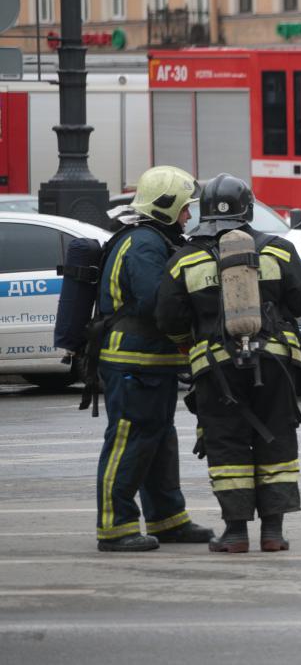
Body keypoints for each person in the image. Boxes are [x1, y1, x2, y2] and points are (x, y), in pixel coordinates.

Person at [156, 174, 301, 553]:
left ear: (205, 213)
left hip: (216, 370)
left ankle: (234, 534)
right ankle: (273, 533)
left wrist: (190, 344)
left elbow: (168, 319)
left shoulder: (185, 260)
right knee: (276, 437)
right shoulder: (278, 250)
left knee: (226, 444)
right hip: (276, 364)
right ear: (247, 210)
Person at [94, 165, 214, 551]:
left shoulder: (154, 240)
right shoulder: (144, 244)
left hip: (152, 361)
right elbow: (155, 303)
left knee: (159, 439)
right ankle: (116, 527)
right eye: (184, 209)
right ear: (166, 207)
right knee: (129, 440)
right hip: (132, 361)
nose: (188, 216)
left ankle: (168, 519)